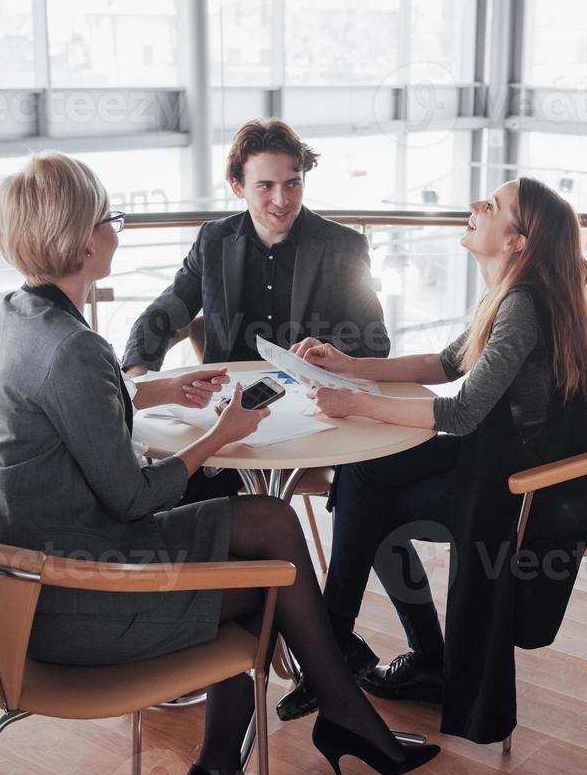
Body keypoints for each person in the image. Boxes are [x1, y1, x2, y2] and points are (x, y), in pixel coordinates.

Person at [0, 153, 436, 775]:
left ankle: (285, 735)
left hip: (30, 578)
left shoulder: (10, 315)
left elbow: (61, 406)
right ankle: (316, 721)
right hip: (83, 592)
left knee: (269, 525)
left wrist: (153, 390)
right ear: (81, 239)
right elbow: (133, 497)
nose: (116, 230)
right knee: (267, 573)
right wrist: (218, 434)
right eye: (111, 218)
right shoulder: (76, 348)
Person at [275, 177, 587, 745]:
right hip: (496, 462)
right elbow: (447, 362)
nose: (477, 206)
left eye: (495, 206)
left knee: (368, 498)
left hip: (518, 491)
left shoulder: (522, 306)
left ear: (518, 240)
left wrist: (355, 402)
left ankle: (347, 650)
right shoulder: (511, 293)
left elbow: (463, 412)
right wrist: (352, 367)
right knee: (363, 473)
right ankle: (343, 647)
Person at [122, 118, 390, 505]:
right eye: (265, 186)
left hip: (318, 418)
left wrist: (331, 351)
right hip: (225, 416)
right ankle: (236, 558)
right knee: (188, 500)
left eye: (292, 183)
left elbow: (375, 341)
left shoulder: (343, 246)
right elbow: (164, 314)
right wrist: (138, 374)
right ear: (237, 186)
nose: (281, 200)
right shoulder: (213, 240)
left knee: (371, 483)